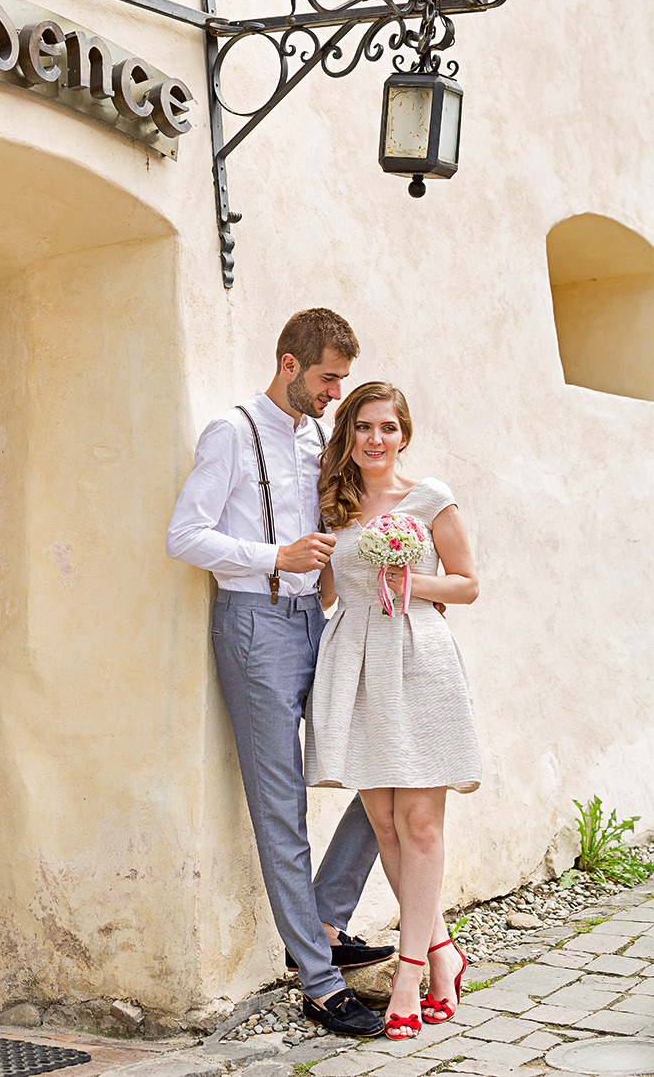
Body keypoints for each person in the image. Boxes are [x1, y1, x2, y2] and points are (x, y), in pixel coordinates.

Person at [166, 311, 394, 1038]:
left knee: (387, 765)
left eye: (341, 381)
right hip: (253, 626)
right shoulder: (231, 432)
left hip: (315, 624)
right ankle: (320, 985)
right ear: (289, 365)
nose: (335, 394)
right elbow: (184, 535)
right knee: (281, 806)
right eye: (327, 378)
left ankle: (323, 918)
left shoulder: (318, 441)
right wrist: (276, 558)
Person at [304, 381, 482, 1041]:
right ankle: (443, 952)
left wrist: (411, 582)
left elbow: (467, 584)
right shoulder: (336, 505)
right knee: (383, 822)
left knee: (420, 824)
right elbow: (327, 594)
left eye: (387, 427)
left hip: (418, 659)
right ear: (349, 435)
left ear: (404, 435)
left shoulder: (430, 497)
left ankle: (409, 975)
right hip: (357, 666)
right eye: (363, 427)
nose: (375, 438)